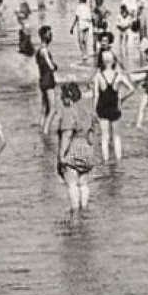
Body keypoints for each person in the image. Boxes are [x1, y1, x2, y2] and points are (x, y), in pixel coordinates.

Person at [49, 83, 98, 216]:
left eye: (62, 98)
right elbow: (92, 135)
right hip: (87, 151)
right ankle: (85, 209)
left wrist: (61, 155)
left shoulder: (69, 111)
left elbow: (67, 134)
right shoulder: (87, 110)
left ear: (68, 98)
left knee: (72, 184)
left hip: (72, 149)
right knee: (83, 183)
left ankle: (75, 212)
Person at [91, 47, 134, 163]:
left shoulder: (98, 76)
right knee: (117, 137)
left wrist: (93, 111)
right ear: (114, 61)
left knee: (104, 137)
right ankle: (118, 160)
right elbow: (131, 89)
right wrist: (122, 98)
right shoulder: (118, 75)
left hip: (102, 108)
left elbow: (96, 95)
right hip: (115, 107)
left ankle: (106, 161)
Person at [34, 25, 58, 133]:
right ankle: (46, 130)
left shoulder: (39, 50)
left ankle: (41, 126)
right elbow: (51, 67)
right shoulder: (44, 50)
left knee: (45, 107)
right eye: (50, 33)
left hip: (42, 79)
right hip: (48, 80)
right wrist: (55, 66)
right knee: (53, 108)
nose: (51, 36)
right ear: (45, 36)